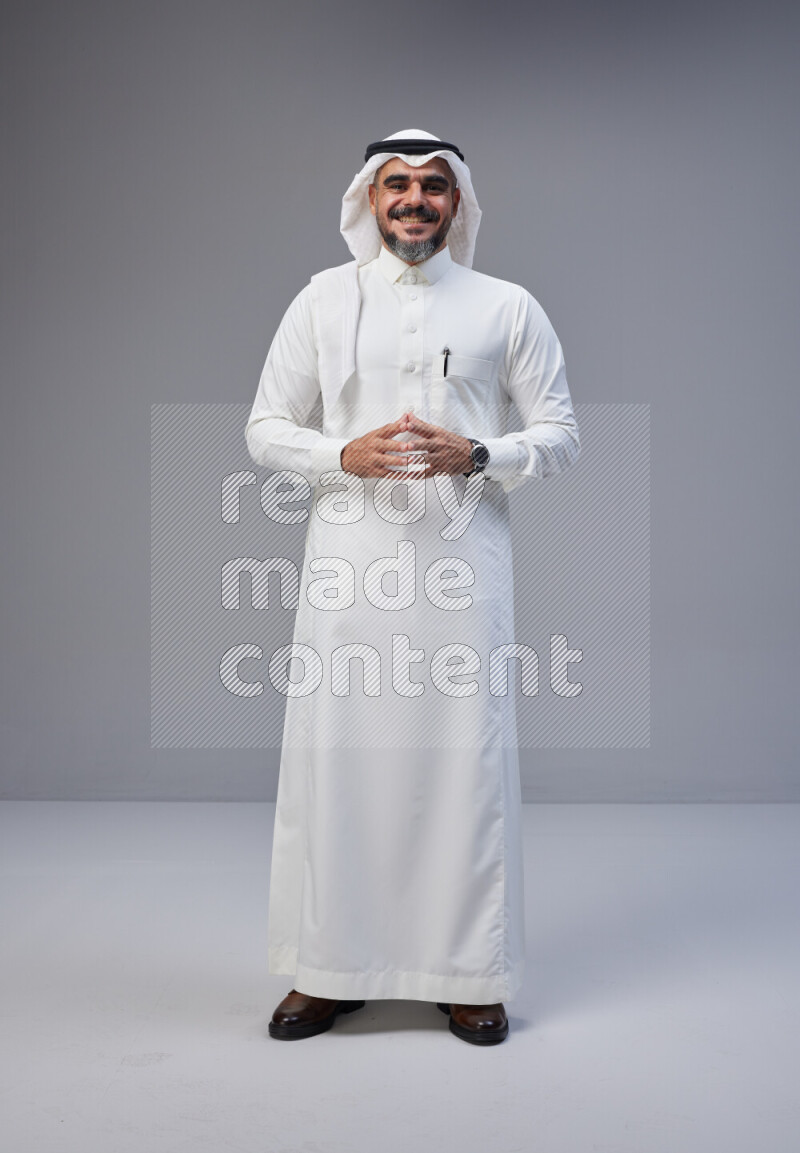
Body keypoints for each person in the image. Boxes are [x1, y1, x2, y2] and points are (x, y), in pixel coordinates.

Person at [244, 129, 580, 1045]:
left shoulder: (506, 306)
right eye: (397, 184)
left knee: (460, 766)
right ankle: (328, 970)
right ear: (369, 198)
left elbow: (559, 433)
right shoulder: (322, 300)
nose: (415, 200)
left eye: (434, 186)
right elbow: (266, 427)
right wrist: (336, 453)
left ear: (459, 202)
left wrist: (480, 451)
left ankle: (467, 972)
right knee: (339, 761)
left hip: (464, 574)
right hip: (348, 573)